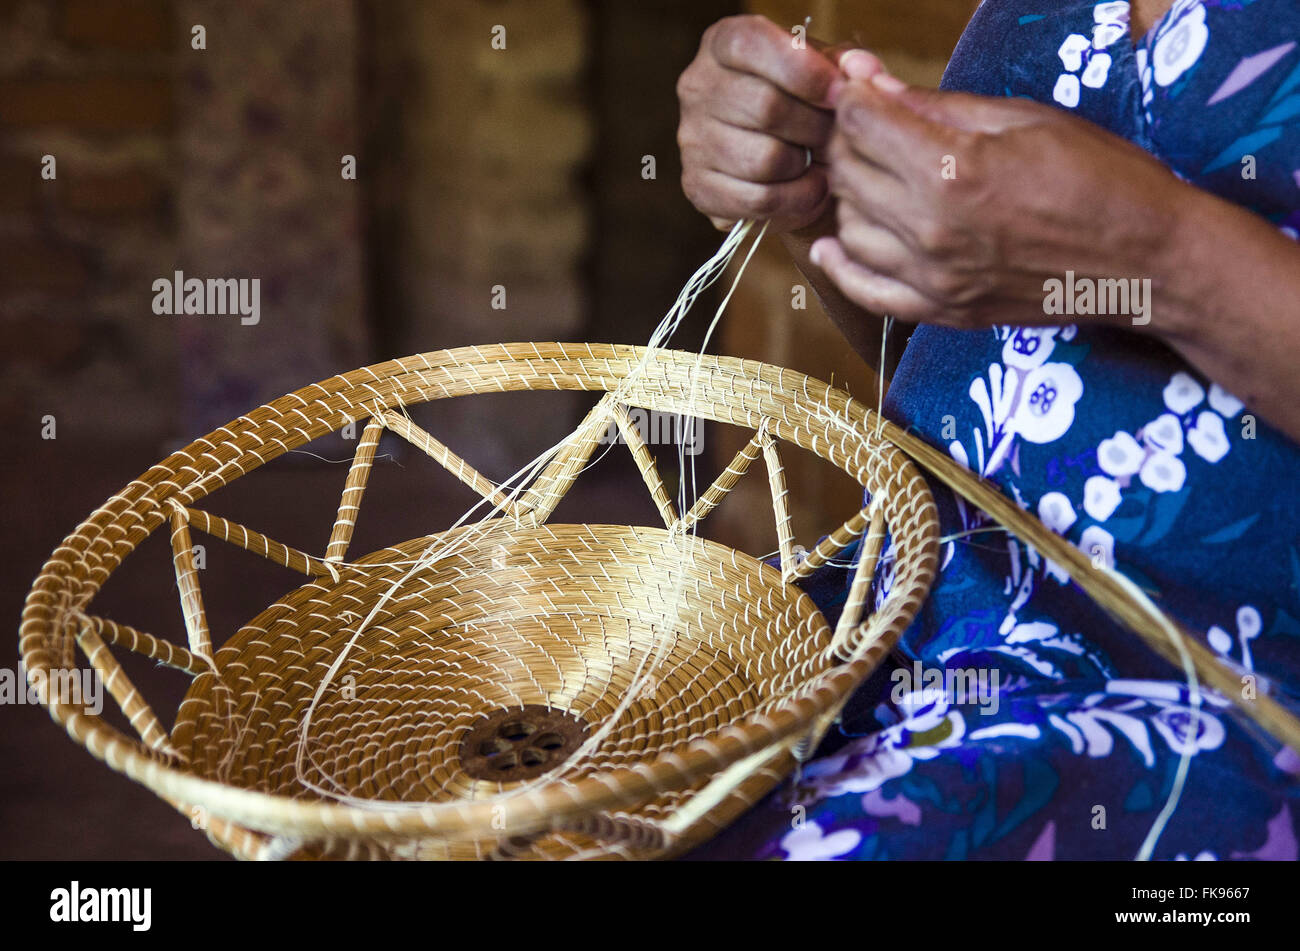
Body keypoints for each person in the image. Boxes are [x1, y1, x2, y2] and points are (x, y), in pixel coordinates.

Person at [677, 1, 1300, 860]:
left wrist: (1162, 258)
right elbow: (970, 377)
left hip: (1217, 713)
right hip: (903, 632)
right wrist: (819, 195)